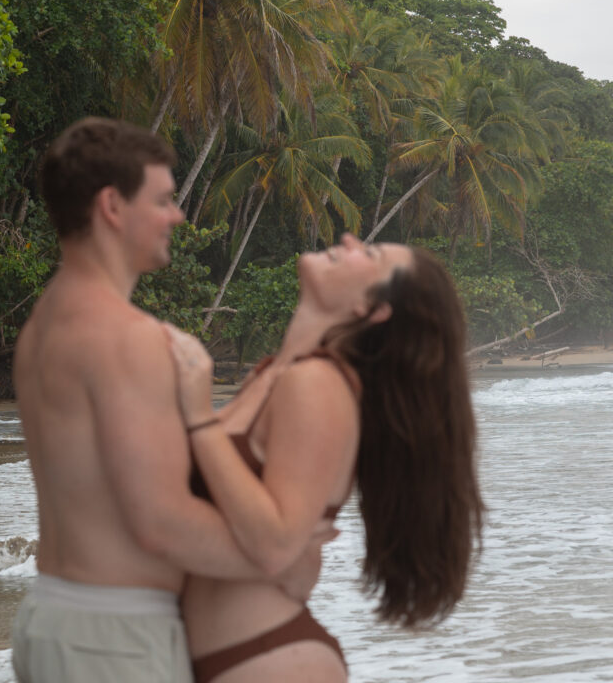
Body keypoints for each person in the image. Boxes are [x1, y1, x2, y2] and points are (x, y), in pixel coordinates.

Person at [10, 118, 324, 683]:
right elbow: (160, 521)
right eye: (162, 199)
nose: (177, 216)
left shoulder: (46, 323)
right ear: (112, 206)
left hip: (57, 613)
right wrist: (276, 557)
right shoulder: (127, 338)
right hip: (114, 639)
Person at [170, 234, 485, 683]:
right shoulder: (274, 374)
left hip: (266, 661)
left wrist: (198, 418)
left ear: (372, 310)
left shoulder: (317, 383)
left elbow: (277, 544)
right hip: (226, 656)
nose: (350, 240)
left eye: (370, 255)